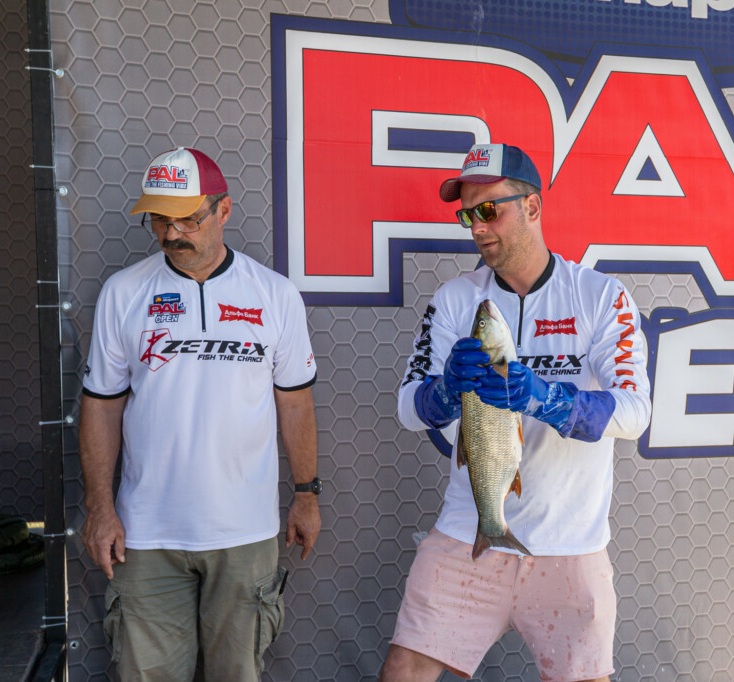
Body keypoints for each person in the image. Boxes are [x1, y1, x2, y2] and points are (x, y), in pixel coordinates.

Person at [381, 143, 652, 681]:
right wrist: (445, 391)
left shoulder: (600, 295)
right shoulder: (455, 300)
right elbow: (408, 408)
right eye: (468, 215)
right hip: (469, 532)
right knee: (405, 669)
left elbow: (635, 412)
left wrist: (547, 399)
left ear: (532, 206)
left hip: (570, 541)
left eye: (489, 210)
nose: (478, 228)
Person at [79, 147, 321, 681]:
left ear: (224, 210)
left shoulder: (274, 294)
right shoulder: (124, 293)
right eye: (159, 220)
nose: (172, 234)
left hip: (245, 531)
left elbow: (295, 403)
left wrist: (307, 493)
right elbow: (100, 408)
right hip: (145, 534)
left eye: (188, 219)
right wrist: (99, 508)